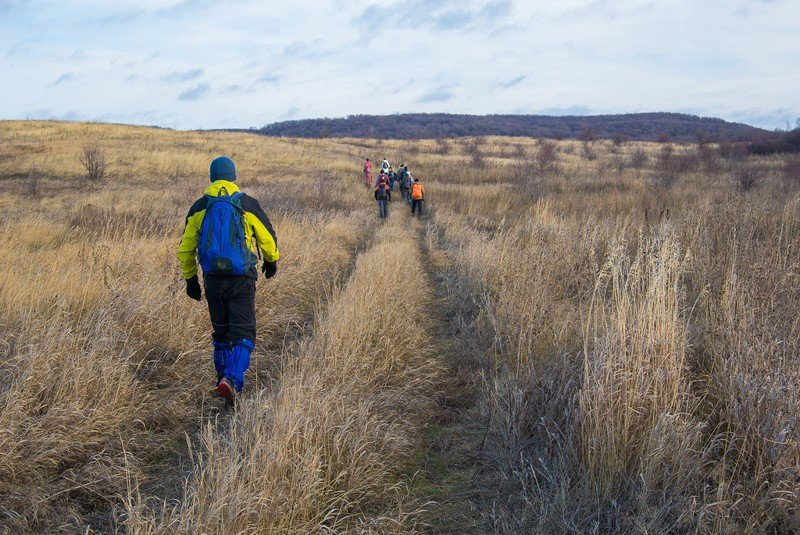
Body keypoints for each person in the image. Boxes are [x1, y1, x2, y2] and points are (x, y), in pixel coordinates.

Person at [177, 156, 279, 403]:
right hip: (241, 278)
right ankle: (231, 380)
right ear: (234, 176)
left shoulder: (200, 207)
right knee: (244, 333)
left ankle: (222, 381)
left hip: (212, 279)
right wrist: (271, 261)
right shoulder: (246, 203)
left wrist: (191, 280)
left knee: (221, 334)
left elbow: (185, 249)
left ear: (212, 177)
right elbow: (267, 237)